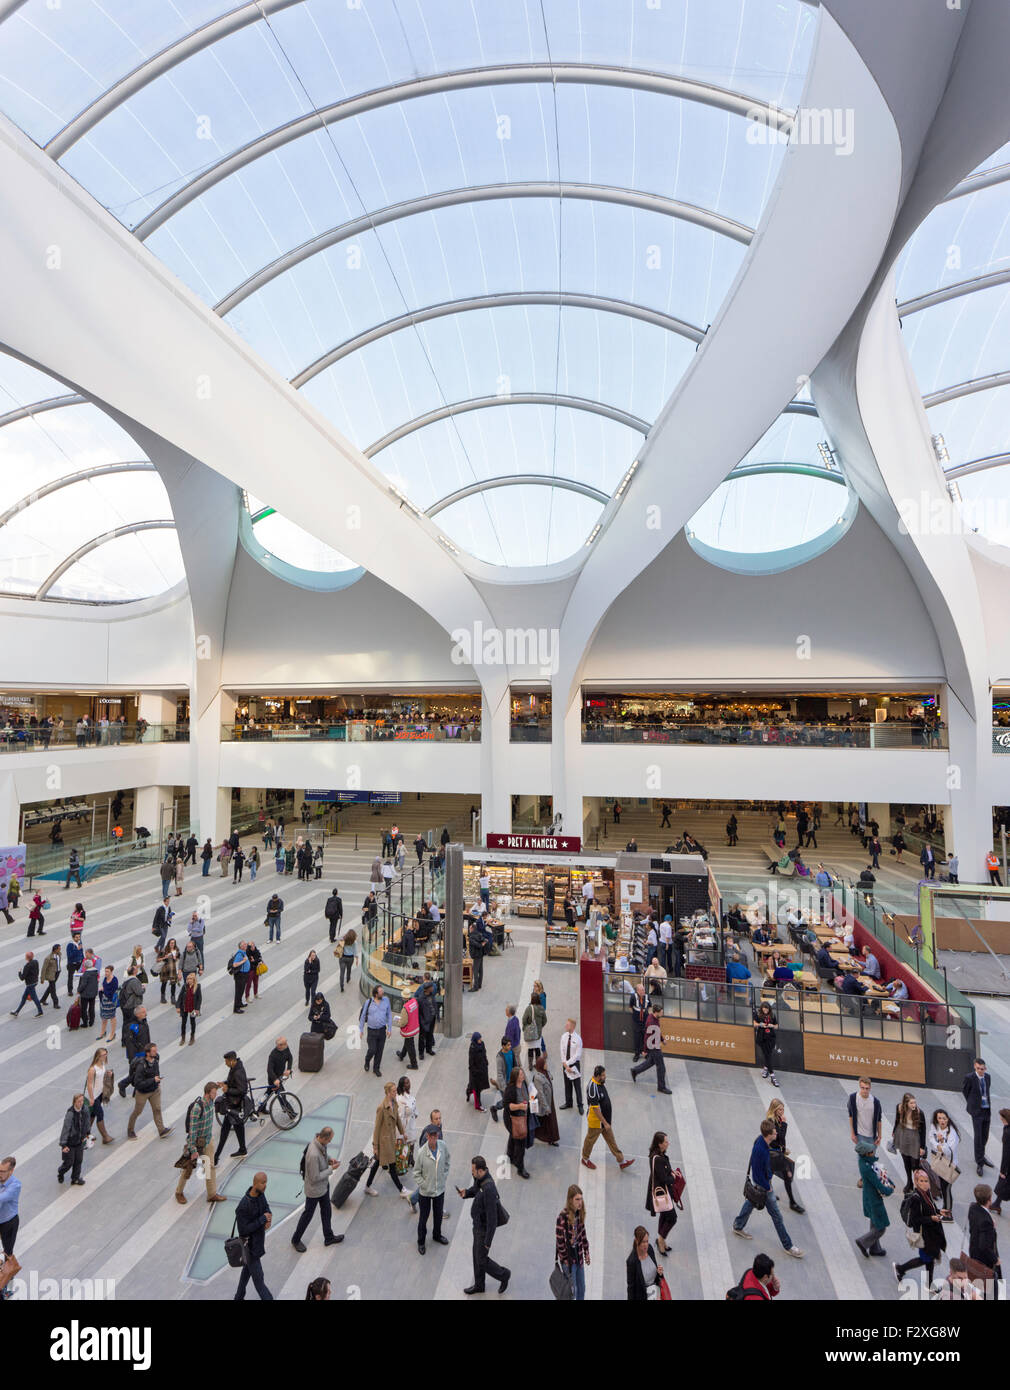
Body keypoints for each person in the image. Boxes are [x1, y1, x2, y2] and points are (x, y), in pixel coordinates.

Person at [732, 1119, 804, 1258]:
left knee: (751, 1201)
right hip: (764, 1186)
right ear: (768, 1134)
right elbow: (758, 1172)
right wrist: (767, 1187)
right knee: (777, 1216)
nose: (776, 1132)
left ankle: (738, 1225)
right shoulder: (761, 1150)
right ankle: (788, 1246)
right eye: (774, 1131)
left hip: (762, 1184)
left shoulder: (761, 1141)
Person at [458, 1155, 510, 1295]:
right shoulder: (480, 1179)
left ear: (481, 1170)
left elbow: (492, 1219)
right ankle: (479, 1284)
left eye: (473, 1170)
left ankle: (503, 1274)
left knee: (481, 1259)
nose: (472, 1172)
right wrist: (466, 1193)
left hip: (483, 1229)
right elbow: (475, 1190)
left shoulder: (489, 1189)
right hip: (477, 1225)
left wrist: (488, 1241)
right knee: (476, 1256)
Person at [291, 1128, 343, 1252]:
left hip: (323, 1187)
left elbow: (323, 1155)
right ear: (324, 1138)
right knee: (308, 1215)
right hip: (314, 1191)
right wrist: (331, 1169)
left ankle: (328, 1237)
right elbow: (314, 1178)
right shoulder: (313, 1154)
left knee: (326, 1211)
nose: (329, 1143)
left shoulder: (319, 1144)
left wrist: (330, 1159)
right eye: (329, 1140)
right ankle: (296, 1239)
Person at [894, 1166, 947, 1287]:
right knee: (925, 1258)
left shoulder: (927, 1193)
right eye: (921, 1181)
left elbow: (930, 1209)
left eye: (926, 1181)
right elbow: (915, 1219)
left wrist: (939, 1212)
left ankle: (929, 1283)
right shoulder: (916, 1198)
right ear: (916, 1182)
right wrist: (931, 1218)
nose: (924, 1183)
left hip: (932, 1234)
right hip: (925, 1235)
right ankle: (900, 1268)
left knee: (930, 1258)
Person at [176, 1081, 226, 1206]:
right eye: (214, 1093)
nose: (216, 1094)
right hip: (197, 1143)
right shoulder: (197, 1108)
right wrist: (193, 1149)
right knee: (188, 1167)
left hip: (208, 1140)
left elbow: (215, 1088)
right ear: (208, 1094)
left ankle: (212, 1194)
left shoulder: (211, 1102)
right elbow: (192, 1130)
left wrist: (219, 1085)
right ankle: (179, 1192)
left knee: (210, 1167)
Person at [582, 1065, 634, 1172]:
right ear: (597, 1076)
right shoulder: (592, 1088)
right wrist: (605, 1123)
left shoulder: (600, 1083)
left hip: (605, 1121)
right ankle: (585, 1159)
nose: (605, 1077)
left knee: (611, 1141)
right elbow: (596, 1110)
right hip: (597, 1122)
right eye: (603, 1075)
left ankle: (621, 1161)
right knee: (590, 1140)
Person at [364, 1081, 411, 1200]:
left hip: (391, 1139)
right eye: (394, 1091)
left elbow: (398, 1120)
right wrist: (375, 1146)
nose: (396, 1092)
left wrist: (403, 1132)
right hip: (384, 1142)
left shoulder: (394, 1103)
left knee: (377, 1164)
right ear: (388, 1093)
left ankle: (367, 1186)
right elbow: (376, 1128)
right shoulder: (381, 1108)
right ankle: (401, 1189)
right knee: (392, 1165)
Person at [234, 1172, 273, 1301]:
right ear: (255, 1183)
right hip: (250, 1249)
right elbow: (243, 1230)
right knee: (259, 1282)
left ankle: (238, 1297)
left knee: (246, 1272)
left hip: (257, 1245)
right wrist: (262, 1219)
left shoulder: (261, 1195)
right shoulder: (243, 1206)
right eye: (263, 1182)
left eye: (266, 1182)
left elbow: (267, 1208)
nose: (265, 1185)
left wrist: (268, 1218)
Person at [413, 1123, 451, 1255]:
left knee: (438, 1214)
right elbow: (416, 1173)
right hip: (425, 1192)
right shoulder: (421, 1153)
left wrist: (444, 1176)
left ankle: (437, 1235)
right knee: (423, 1217)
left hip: (439, 1190)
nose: (434, 1138)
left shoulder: (443, 1146)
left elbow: (447, 1161)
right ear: (427, 1136)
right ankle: (421, 1242)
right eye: (431, 1136)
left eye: (436, 1135)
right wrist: (424, 1184)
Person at [854, 1139, 893, 1257]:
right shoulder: (868, 1169)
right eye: (871, 1152)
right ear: (866, 1154)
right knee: (881, 1228)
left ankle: (875, 1248)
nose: (873, 1153)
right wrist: (889, 1189)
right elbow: (879, 1185)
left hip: (868, 1197)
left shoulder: (864, 1162)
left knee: (874, 1222)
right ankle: (863, 1242)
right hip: (874, 1199)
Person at [767, 1097, 805, 1214]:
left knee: (773, 1174)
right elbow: (780, 1137)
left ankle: (785, 1199)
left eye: (783, 1110)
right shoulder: (771, 1122)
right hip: (774, 1153)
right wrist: (784, 1123)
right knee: (783, 1174)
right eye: (779, 1110)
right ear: (774, 1110)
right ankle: (790, 1202)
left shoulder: (777, 1119)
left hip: (778, 1152)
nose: (782, 1112)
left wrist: (784, 1148)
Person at [126, 1043, 172, 1141]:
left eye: (156, 1050)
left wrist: (157, 1081)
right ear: (147, 1053)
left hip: (154, 1090)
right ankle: (130, 1130)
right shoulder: (141, 1066)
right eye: (154, 1051)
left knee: (157, 1109)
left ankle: (162, 1130)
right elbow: (138, 1084)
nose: (156, 1052)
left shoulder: (155, 1060)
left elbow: (156, 1072)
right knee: (137, 1112)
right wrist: (153, 1080)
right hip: (142, 1093)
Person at [555, 1185, 590, 1300]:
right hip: (569, 1262)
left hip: (579, 1258)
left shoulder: (579, 1214)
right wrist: (565, 1259)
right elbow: (560, 1242)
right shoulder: (562, 1218)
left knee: (582, 1288)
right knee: (572, 1292)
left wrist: (586, 1252)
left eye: (581, 1199)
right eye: (577, 1199)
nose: (580, 1202)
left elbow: (583, 1234)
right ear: (570, 1200)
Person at [646, 1131, 679, 1255]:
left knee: (665, 1215)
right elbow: (664, 1179)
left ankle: (661, 1239)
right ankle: (661, 1240)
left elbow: (664, 1171)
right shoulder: (658, 1159)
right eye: (665, 1141)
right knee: (672, 1218)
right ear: (660, 1144)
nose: (668, 1143)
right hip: (662, 1193)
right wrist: (673, 1178)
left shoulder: (657, 1155)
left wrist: (671, 1171)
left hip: (661, 1192)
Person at [848, 1076, 883, 1189]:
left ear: (870, 1088)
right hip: (860, 1134)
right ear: (859, 1086)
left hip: (871, 1135)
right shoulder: (853, 1098)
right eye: (862, 1088)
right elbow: (851, 1116)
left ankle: (868, 1177)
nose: (864, 1090)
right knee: (861, 1158)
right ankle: (863, 1178)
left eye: (867, 1088)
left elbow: (879, 1120)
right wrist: (853, 1133)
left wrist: (879, 1135)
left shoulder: (875, 1102)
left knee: (871, 1158)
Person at [215, 1051, 249, 1162]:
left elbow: (242, 1090)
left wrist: (227, 1089)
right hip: (234, 1105)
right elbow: (232, 1082)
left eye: (226, 1061)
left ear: (231, 1061)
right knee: (239, 1127)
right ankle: (242, 1150)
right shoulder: (234, 1068)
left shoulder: (238, 1072)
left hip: (234, 1105)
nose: (225, 1064)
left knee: (225, 1131)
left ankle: (215, 1157)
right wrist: (224, 1083)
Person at [630, 1002, 671, 1094]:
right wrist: (644, 1051)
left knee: (650, 1062)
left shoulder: (654, 1018)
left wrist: (662, 1039)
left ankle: (635, 1071)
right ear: (656, 1012)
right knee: (661, 1068)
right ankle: (661, 1087)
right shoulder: (651, 1022)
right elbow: (646, 1037)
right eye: (661, 1012)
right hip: (654, 1047)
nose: (662, 1014)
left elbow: (657, 1031)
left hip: (655, 1044)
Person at [962, 1058, 993, 1176]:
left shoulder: (988, 1077)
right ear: (975, 1067)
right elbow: (965, 1091)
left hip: (986, 1110)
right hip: (977, 1111)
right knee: (978, 1136)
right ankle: (979, 1163)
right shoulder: (969, 1077)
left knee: (985, 1136)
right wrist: (972, 1104)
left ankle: (981, 1155)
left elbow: (987, 1091)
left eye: (983, 1069)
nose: (981, 1071)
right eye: (979, 1069)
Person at [968, 1184, 1001, 1292]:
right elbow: (984, 1246)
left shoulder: (973, 1208)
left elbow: (974, 1228)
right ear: (989, 1200)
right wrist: (995, 1260)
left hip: (973, 1251)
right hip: (984, 1260)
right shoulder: (986, 1221)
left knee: (980, 1287)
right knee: (991, 1291)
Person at [928, 1109, 961, 1215]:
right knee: (942, 1186)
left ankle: (948, 1212)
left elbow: (949, 1152)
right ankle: (944, 1209)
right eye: (939, 1118)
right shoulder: (934, 1126)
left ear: (948, 1119)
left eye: (944, 1118)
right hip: (940, 1161)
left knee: (946, 1189)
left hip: (949, 1164)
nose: (942, 1121)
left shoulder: (952, 1134)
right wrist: (938, 1145)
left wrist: (942, 1141)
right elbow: (931, 1138)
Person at [893, 1093, 927, 1193]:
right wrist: (894, 1132)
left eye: (915, 1102)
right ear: (906, 1103)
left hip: (914, 1137)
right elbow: (896, 1120)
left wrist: (922, 1147)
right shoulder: (899, 1108)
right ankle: (909, 1182)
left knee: (915, 1164)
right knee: (906, 1161)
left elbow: (923, 1130)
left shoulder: (919, 1113)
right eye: (911, 1103)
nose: (914, 1105)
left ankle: (918, 1185)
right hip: (903, 1134)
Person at [502, 1066, 531, 1179]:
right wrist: (520, 1106)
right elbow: (507, 1105)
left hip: (522, 1117)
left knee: (513, 1136)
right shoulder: (511, 1089)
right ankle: (520, 1167)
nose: (523, 1075)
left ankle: (510, 1155)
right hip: (513, 1120)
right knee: (520, 1142)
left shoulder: (523, 1084)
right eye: (521, 1074)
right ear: (516, 1077)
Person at [359, 984, 393, 1076]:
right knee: (372, 1049)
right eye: (381, 992)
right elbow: (363, 1016)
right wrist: (361, 1030)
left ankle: (376, 1068)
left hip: (382, 1030)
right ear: (376, 994)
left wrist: (389, 1028)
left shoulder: (386, 1000)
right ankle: (367, 1060)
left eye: (383, 991)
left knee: (380, 1051)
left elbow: (389, 1014)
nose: (383, 993)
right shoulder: (368, 1002)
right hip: (372, 1030)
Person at [85, 1046, 114, 1146]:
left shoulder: (102, 1065)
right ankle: (105, 1137)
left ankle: (85, 1134)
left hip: (100, 1093)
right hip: (93, 1095)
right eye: (103, 1055)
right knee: (100, 1114)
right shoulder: (92, 1069)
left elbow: (101, 1076)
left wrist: (108, 1074)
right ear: (98, 1056)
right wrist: (91, 1098)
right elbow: (89, 1084)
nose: (105, 1057)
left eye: (106, 1054)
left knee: (92, 1114)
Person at [58, 1094, 89, 1186]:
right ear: (74, 1102)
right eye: (79, 1101)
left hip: (79, 1140)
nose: (81, 1103)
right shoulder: (70, 1114)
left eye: (82, 1101)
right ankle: (61, 1172)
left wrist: (87, 1133)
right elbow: (66, 1129)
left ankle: (75, 1178)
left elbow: (87, 1122)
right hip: (70, 1142)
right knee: (69, 1162)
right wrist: (63, 1145)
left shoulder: (85, 1110)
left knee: (79, 1160)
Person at [626, 1225, 663, 1300]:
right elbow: (631, 1287)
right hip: (643, 1296)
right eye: (643, 1242)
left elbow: (657, 1276)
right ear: (637, 1241)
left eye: (647, 1241)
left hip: (656, 1292)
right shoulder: (632, 1261)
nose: (646, 1245)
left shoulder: (650, 1249)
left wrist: (660, 1273)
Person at [0, 1156, 22, 1277]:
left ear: (11, 1171)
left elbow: (3, 1197)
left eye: (3, 1172)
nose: (0, 1174)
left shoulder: (15, 1185)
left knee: (7, 1252)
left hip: (9, 1222)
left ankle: (6, 1278)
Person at [532, 1052, 560, 1145]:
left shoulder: (545, 1072)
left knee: (546, 1121)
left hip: (549, 1101)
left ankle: (547, 1137)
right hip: (545, 1103)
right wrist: (546, 1107)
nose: (547, 1065)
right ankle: (550, 1138)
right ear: (541, 1065)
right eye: (545, 1063)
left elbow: (550, 1077)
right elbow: (540, 1094)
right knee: (548, 1121)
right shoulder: (537, 1078)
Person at [559, 1018, 584, 1114]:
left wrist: (568, 1064)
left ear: (573, 1027)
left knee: (577, 1086)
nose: (566, 1026)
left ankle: (580, 1105)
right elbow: (562, 1051)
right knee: (567, 1084)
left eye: (568, 1025)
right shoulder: (563, 1037)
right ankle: (568, 1102)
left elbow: (577, 1055)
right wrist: (564, 1064)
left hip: (574, 1065)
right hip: (565, 1064)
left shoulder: (578, 1039)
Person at [753, 1002, 779, 1086]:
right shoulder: (758, 1014)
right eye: (764, 1008)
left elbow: (777, 1026)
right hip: (762, 1038)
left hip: (771, 1038)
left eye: (767, 1009)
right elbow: (754, 1024)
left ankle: (765, 1068)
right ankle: (773, 1076)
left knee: (768, 1055)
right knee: (767, 1055)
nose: (765, 1010)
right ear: (762, 1008)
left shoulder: (772, 1015)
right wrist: (761, 1024)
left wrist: (772, 1025)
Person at [10, 952, 43, 1018]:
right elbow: (37, 970)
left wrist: (19, 972)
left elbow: (22, 978)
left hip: (30, 984)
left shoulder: (27, 966)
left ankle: (40, 1012)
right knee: (24, 997)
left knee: (34, 998)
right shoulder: (36, 962)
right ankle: (17, 1011)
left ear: (27, 958)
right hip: (35, 982)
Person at [521, 991, 547, 1070]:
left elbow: (524, 1020)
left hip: (530, 1033)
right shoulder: (541, 1008)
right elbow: (545, 1020)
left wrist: (525, 1028)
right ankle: (538, 1065)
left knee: (530, 1049)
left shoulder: (529, 1008)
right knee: (537, 1049)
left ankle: (530, 1066)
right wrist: (539, 1027)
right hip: (538, 1034)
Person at [992, 1107, 1010, 1216]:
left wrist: (1003, 1171)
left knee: (1004, 1184)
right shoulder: (1007, 1128)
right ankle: (996, 1204)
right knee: (1004, 1185)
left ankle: (997, 1204)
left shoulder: (1008, 1132)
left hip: (1008, 1165)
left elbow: (1006, 1154)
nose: (1000, 1119)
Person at [176, 972, 201, 1047]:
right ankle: (183, 1038)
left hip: (193, 1008)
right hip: (185, 1007)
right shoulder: (184, 986)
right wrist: (178, 1007)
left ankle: (192, 1037)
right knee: (183, 1023)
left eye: (190, 979)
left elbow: (199, 999)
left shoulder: (197, 987)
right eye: (188, 979)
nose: (189, 980)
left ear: (194, 980)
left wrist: (197, 1009)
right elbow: (180, 997)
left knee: (192, 1022)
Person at [466, 1031, 490, 1112]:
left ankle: (468, 1091)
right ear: (475, 1039)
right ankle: (478, 1105)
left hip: (482, 1070)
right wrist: (474, 1071)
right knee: (477, 1089)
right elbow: (471, 1062)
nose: (480, 1040)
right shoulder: (472, 1048)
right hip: (475, 1073)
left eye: (480, 1038)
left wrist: (486, 1061)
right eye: (479, 1039)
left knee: (476, 1087)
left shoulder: (482, 1044)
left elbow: (484, 1053)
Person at [229, 941, 251, 1014]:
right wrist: (243, 961)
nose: (246, 945)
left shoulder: (244, 952)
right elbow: (235, 965)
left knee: (241, 990)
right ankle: (236, 1008)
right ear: (241, 947)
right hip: (240, 975)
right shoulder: (239, 954)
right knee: (238, 992)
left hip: (244, 974)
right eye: (244, 944)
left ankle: (240, 1003)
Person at [39, 944, 62, 1011]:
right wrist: (42, 978)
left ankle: (43, 999)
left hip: (57, 972)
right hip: (51, 975)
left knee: (50, 987)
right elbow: (44, 969)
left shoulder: (59, 954)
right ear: (55, 949)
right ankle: (56, 1003)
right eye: (59, 949)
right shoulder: (48, 958)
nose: (60, 950)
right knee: (53, 989)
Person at [629, 983, 648, 1061]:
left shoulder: (647, 997)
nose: (643, 991)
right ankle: (637, 1054)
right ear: (637, 991)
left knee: (645, 1038)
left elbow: (650, 1006)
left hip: (645, 1021)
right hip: (636, 1022)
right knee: (637, 1038)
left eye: (644, 989)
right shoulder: (633, 997)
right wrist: (634, 1015)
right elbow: (630, 1007)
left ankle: (645, 1053)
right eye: (642, 990)